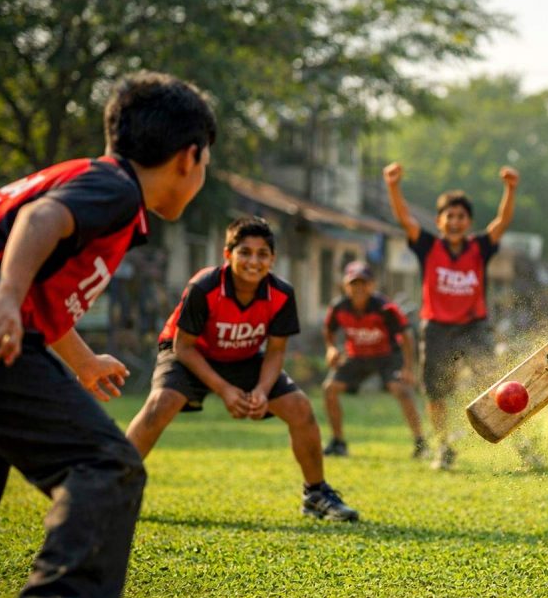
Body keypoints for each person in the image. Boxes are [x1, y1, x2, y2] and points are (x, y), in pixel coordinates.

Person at [0, 70, 214, 598]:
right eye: (206, 164)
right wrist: (6, 298)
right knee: (106, 463)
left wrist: (82, 359)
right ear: (189, 157)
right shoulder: (114, 188)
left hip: (12, 339)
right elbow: (38, 222)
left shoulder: (95, 183)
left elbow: (44, 285)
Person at [125, 216, 359, 523]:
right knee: (160, 404)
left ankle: (315, 493)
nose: (253, 261)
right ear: (227, 255)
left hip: (243, 357)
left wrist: (261, 392)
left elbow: (275, 352)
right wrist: (224, 390)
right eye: (245, 252)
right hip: (190, 352)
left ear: (272, 259)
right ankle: (109, 485)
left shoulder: (282, 294)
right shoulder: (204, 286)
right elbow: (183, 347)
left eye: (262, 254)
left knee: (300, 408)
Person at [382, 162, 519, 470]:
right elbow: (404, 218)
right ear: (439, 221)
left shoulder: (479, 247)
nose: (455, 221)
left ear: (469, 222)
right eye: (450, 216)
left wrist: (510, 188)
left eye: (461, 217)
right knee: (435, 392)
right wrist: (393, 186)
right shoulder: (427, 246)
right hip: (437, 330)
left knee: (495, 385)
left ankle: (520, 444)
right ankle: (443, 447)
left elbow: (502, 221)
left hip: (474, 327)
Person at [322, 260, 426, 458]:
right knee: (329, 389)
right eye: (354, 284)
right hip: (356, 355)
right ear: (345, 285)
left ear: (372, 285)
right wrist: (331, 348)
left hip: (386, 355)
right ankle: (338, 442)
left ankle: (420, 442)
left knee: (401, 390)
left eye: (363, 283)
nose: (359, 288)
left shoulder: (385, 307)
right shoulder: (339, 307)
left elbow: (406, 335)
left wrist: (408, 367)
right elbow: (328, 329)